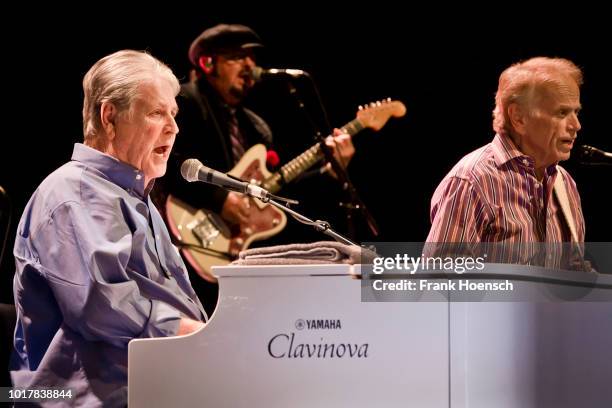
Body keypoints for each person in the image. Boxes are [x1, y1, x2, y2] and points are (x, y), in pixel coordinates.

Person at [10, 50, 206, 406]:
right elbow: (102, 304)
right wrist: (198, 335)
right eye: (157, 112)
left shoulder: (135, 197)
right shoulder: (74, 194)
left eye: (173, 115)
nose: (173, 128)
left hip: (155, 389)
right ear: (109, 116)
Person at [157, 24, 355, 314]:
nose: (250, 65)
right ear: (207, 62)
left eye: (253, 58)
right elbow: (164, 161)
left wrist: (331, 170)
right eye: (238, 57)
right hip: (181, 240)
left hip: (237, 254)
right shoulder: (185, 103)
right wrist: (220, 200)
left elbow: (275, 191)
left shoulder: (256, 127)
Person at [426, 57, 585, 268]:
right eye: (562, 113)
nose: (576, 125)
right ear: (519, 118)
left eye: (576, 112)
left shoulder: (564, 184)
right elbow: (441, 283)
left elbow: (574, 278)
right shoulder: (472, 180)